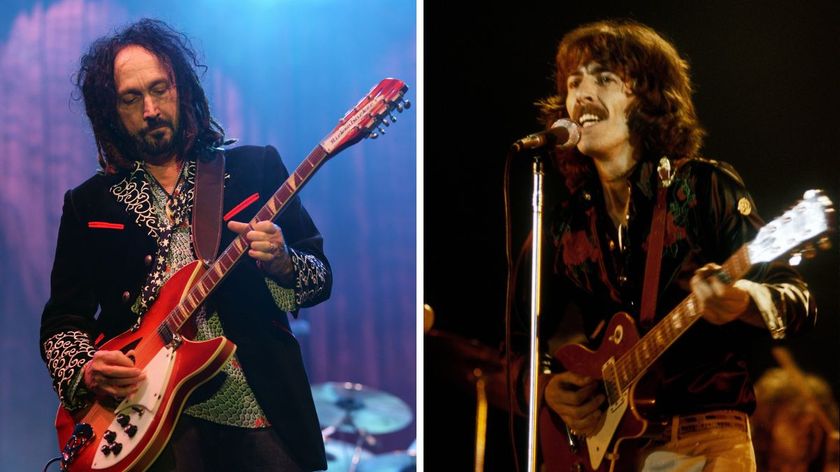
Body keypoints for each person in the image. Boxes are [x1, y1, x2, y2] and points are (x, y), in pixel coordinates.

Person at [39, 19, 331, 471]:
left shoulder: (254, 168)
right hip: (144, 424)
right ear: (111, 111)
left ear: (183, 88)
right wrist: (85, 369)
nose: (151, 109)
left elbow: (320, 276)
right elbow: (62, 321)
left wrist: (284, 265)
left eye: (161, 89)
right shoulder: (87, 204)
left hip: (257, 408)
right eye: (132, 99)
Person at [523, 20, 815, 471]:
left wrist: (741, 301)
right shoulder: (569, 226)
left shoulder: (702, 187)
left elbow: (799, 299)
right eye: (573, 82)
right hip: (611, 455)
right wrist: (547, 385)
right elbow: (527, 339)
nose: (581, 94)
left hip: (703, 441)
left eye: (604, 79)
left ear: (647, 99)